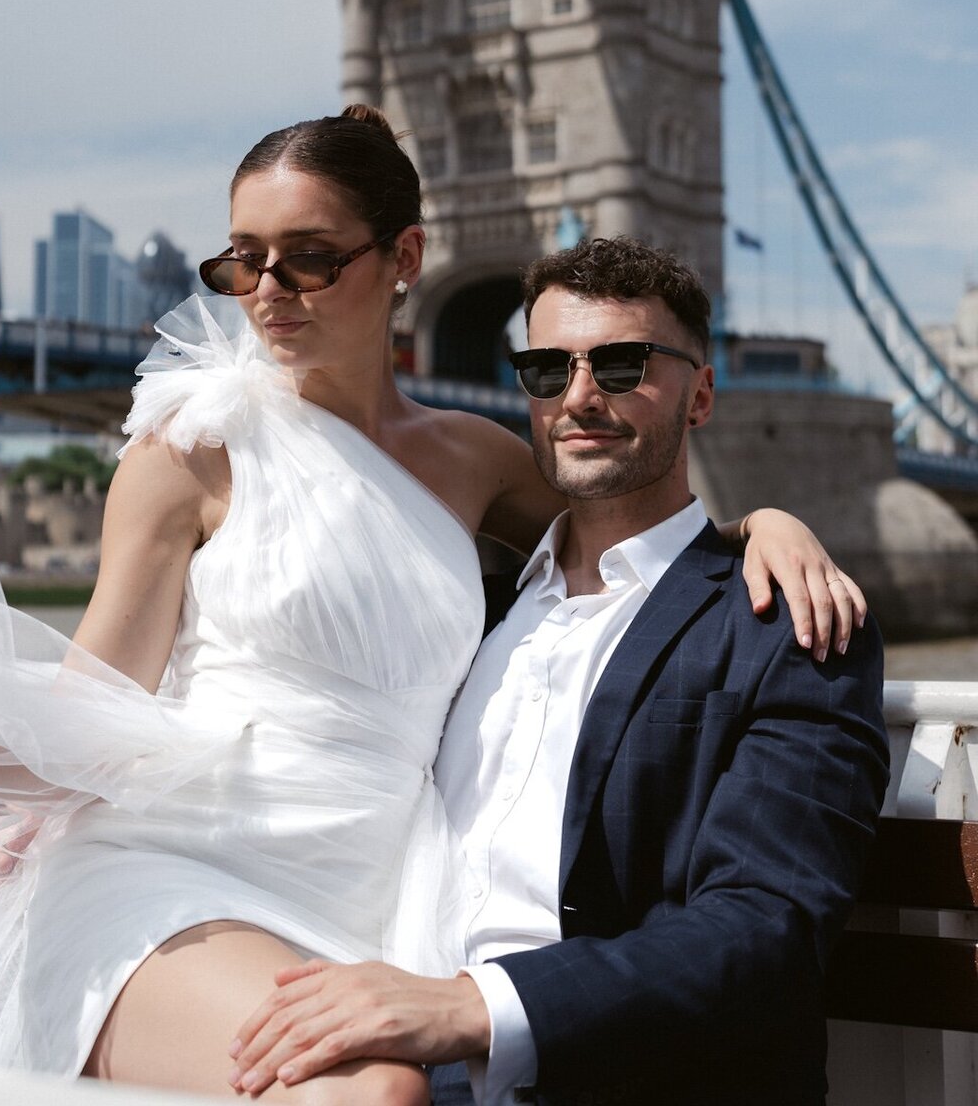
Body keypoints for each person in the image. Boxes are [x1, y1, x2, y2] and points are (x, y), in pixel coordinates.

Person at [0, 112, 865, 1099]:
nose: (269, 292)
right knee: (369, 1092)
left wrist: (763, 524)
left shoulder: (478, 460)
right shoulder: (186, 453)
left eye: (308, 258)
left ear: (404, 260)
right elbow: (90, 705)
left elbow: (633, 529)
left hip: (372, 906)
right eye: (243, 261)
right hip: (177, 876)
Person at [225, 236, 889, 1106]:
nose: (580, 396)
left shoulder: (784, 625)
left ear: (702, 395)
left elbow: (767, 926)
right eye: (547, 369)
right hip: (374, 1061)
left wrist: (468, 1010)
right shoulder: (466, 617)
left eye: (623, 366)